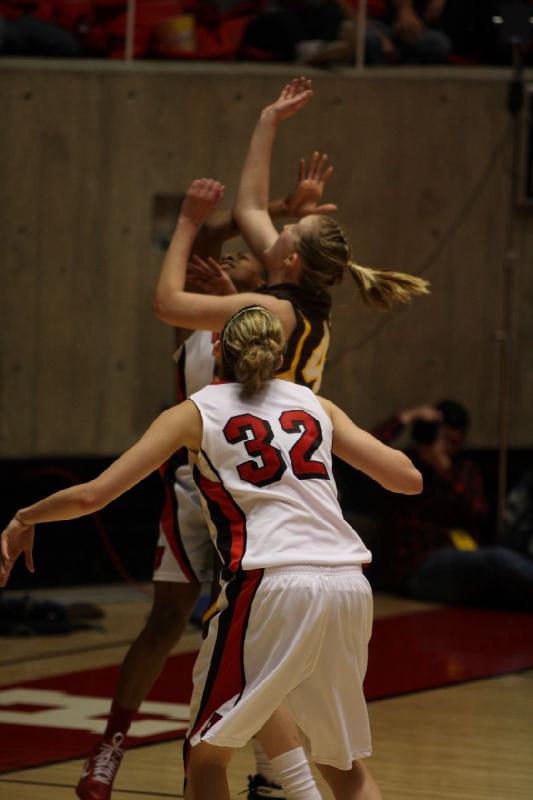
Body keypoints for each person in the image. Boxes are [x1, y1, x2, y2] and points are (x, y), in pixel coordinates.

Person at [0, 304, 423, 800]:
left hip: (272, 580)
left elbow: (95, 495)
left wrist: (25, 517)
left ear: (216, 348)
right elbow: (409, 480)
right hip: (349, 581)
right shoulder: (316, 404)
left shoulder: (195, 412)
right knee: (343, 766)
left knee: (206, 753)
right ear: (280, 353)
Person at [75, 152, 339, 800]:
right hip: (199, 490)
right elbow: (235, 232)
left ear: (265, 281)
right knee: (171, 622)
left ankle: (264, 773)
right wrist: (281, 208)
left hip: (251, 501)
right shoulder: (224, 321)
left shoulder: (269, 318)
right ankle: (115, 745)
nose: (225, 265)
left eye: (240, 263)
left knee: (243, 642)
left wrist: (214, 221)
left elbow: (195, 273)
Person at [372, 399, 533, 609]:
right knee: (499, 562)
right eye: (444, 440)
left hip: (458, 556)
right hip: (414, 568)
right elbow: (366, 448)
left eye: (455, 443)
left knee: (504, 573)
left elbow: (479, 513)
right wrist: (409, 416)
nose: (448, 448)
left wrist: (443, 468)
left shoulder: (463, 470)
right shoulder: (405, 465)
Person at [365, 0, 451, 65]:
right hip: (379, 29)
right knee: (372, 42)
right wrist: (404, 9)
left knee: (439, 43)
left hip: (417, 30)